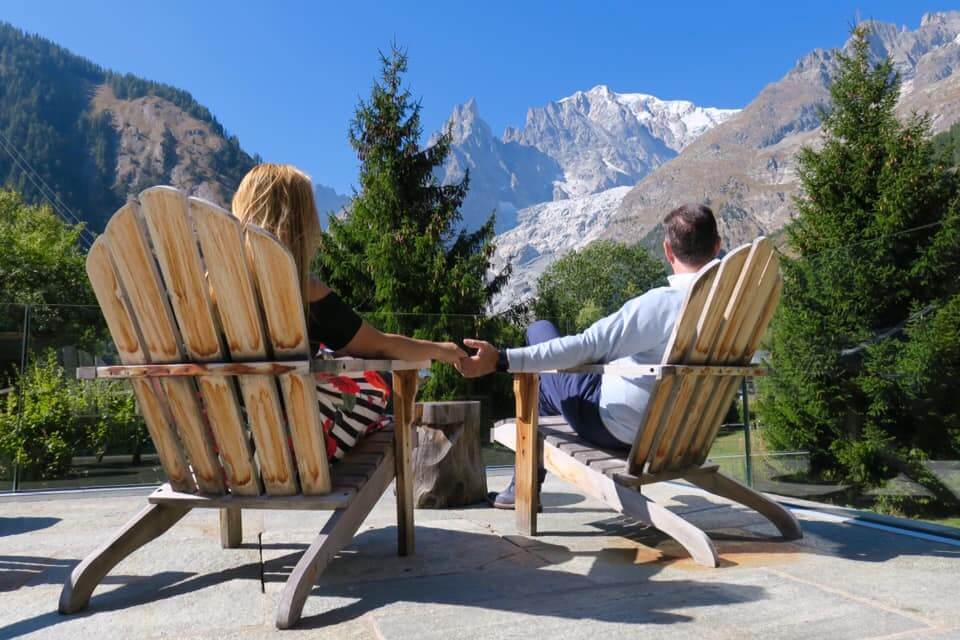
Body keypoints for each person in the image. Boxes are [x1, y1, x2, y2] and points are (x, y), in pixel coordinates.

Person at [457, 203, 722, 508]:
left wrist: (501, 359)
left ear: (667, 250)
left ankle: (522, 488)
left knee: (540, 329)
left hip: (621, 429)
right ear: (717, 246)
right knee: (547, 387)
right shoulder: (735, 309)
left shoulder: (662, 304)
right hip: (686, 435)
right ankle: (520, 486)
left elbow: (584, 346)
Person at [231, 163, 466, 461]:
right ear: (299, 224)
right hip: (293, 455)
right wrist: (442, 350)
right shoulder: (305, 293)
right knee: (380, 380)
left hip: (227, 453)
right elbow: (380, 345)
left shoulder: (210, 291)